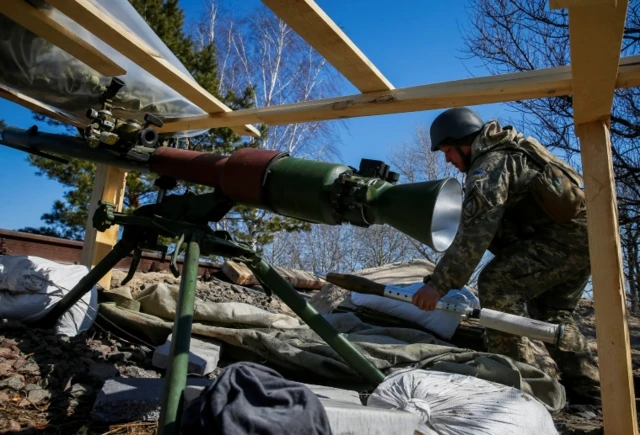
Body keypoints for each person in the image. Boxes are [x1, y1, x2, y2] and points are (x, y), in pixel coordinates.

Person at [411, 106, 601, 405]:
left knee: (498, 283)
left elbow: (477, 231)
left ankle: (514, 385)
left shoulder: (489, 166)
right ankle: (591, 394)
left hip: (563, 241)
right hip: (586, 239)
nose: (447, 159)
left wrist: (437, 284)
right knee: (553, 315)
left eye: (447, 150)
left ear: (464, 142)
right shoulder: (512, 152)